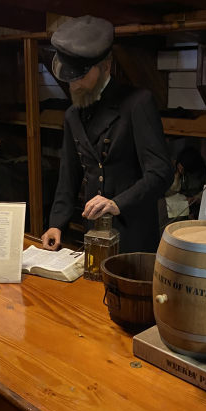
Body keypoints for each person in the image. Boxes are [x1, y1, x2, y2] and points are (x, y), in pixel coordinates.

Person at [41, 15, 174, 253]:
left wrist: (116, 203)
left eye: (81, 76)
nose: (74, 85)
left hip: (133, 232)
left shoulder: (137, 103)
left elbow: (161, 173)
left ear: (105, 66)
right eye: (70, 78)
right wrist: (56, 224)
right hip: (94, 230)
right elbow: (68, 175)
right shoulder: (72, 114)